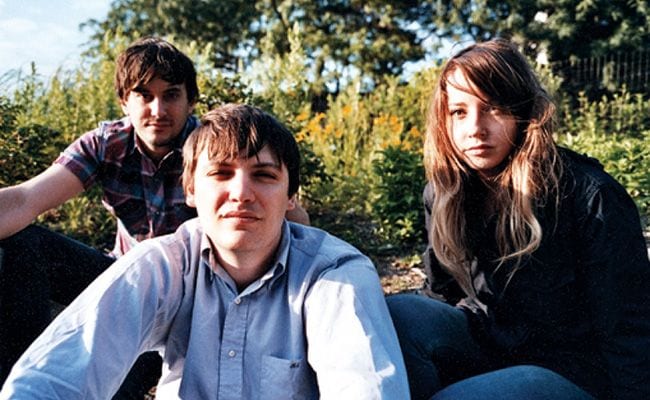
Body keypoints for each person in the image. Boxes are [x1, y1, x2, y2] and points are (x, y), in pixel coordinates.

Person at [0, 103, 410, 399]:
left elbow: (366, 386)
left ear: (291, 197)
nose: (241, 193)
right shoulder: (165, 264)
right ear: (191, 190)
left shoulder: (335, 273)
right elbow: (58, 374)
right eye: (221, 174)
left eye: (264, 176)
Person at [387, 38, 650, 400]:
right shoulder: (447, 191)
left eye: (492, 108)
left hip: (571, 370)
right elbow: (440, 295)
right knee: (397, 316)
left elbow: (629, 325)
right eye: (459, 112)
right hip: (491, 346)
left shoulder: (590, 195)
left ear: (523, 110)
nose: (475, 128)